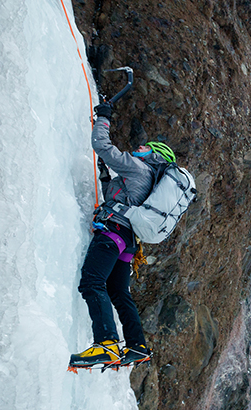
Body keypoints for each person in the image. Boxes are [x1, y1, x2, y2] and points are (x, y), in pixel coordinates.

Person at [69, 102, 175, 369]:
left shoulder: (138, 168)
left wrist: (103, 117)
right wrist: (106, 178)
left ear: (154, 155)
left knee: (92, 283)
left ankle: (106, 344)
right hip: (127, 241)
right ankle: (138, 347)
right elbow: (119, 200)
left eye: (144, 147)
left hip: (113, 233)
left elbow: (102, 146)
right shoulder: (150, 182)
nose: (138, 148)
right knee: (118, 292)